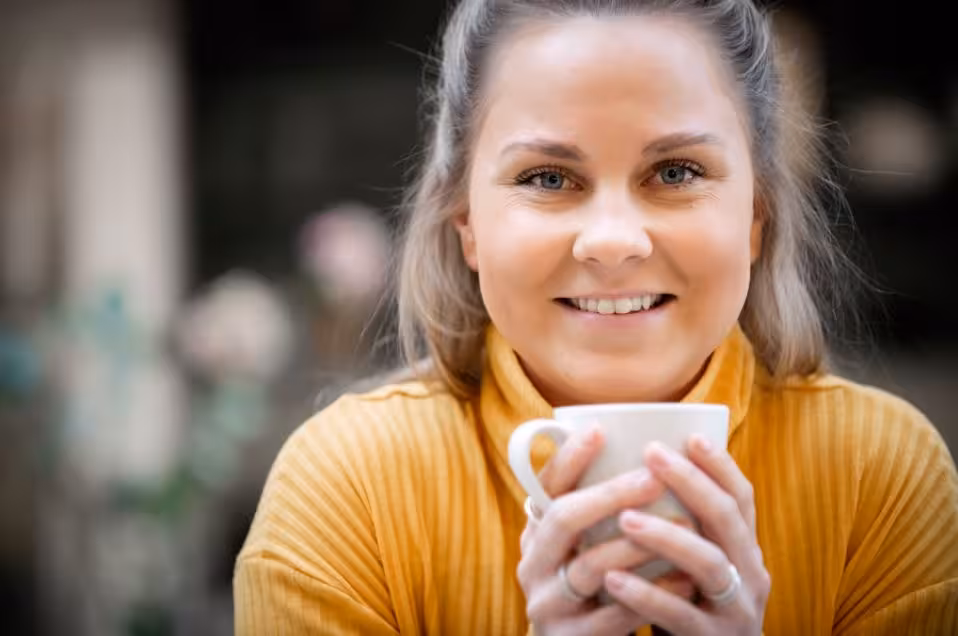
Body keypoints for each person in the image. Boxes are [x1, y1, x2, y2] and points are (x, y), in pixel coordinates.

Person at [233, 0, 958, 634]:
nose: (613, 241)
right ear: (467, 226)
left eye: (675, 173)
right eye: (548, 178)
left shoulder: (880, 479)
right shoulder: (346, 493)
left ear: (756, 218)